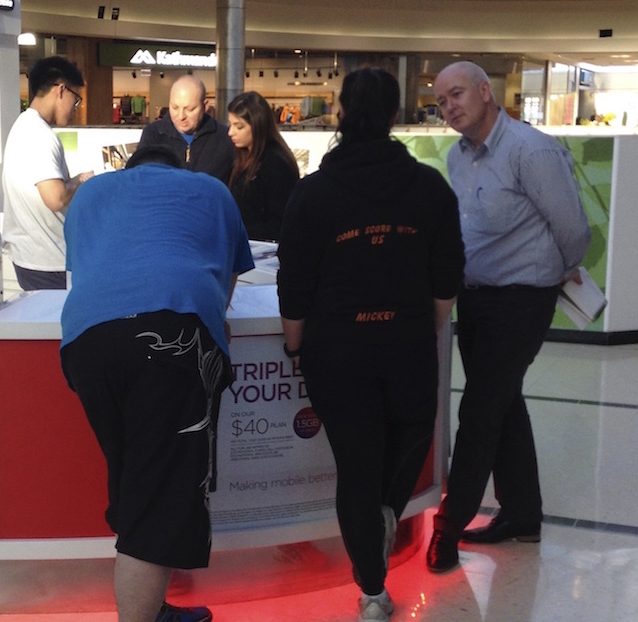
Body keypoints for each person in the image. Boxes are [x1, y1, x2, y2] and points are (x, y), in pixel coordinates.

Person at [276, 67, 465, 622]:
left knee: (355, 465)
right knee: (410, 434)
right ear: (392, 118)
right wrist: (425, 326)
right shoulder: (430, 187)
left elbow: (296, 281)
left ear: (339, 114)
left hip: (336, 349)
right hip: (406, 340)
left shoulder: (313, 193)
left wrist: (293, 347)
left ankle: (373, 591)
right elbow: (447, 275)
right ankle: (386, 512)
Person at [59, 145, 254, 622]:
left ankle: (153, 607)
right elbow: (225, 278)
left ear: (131, 169)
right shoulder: (210, 189)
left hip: (87, 344)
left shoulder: (89, 194)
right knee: (161, 497)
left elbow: (85, 268)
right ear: (178, 167)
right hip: (173, 337)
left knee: (134, 478)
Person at [426, 61, 591, 573]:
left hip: (522, 300)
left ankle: (448, 528)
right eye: (440, 102)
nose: (449, 106)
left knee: (478, 413)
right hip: (476, 298)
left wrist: (552, 273)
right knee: (503, 405)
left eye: (456, 94)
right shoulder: (457, 157)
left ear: (485, 91)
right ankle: (521, 515)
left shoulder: (530, 149)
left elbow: (574, 230)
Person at [1, 56, 93, 290]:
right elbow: (55, 198)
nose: (75, 108)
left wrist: (72, 181)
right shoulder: (41, 135)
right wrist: (83, 182)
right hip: (48, 260)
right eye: (76, 99)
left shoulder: (22, 126)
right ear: (61, 90)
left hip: (31, 257)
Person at [226, 91, 300, 241]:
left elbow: (280, 223)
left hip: (264, 252)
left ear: (257, 125)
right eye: (230, 125)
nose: (230, 132)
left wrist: (236, 231)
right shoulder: (242, 156)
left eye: (239, 127)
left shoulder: (276, 163)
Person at [138, 75, 234, 184]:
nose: (181, 116)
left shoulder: (224, 138)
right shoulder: (153, 134)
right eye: (175, 107)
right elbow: (139, 179)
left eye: (189, 109)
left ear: (205, 106)